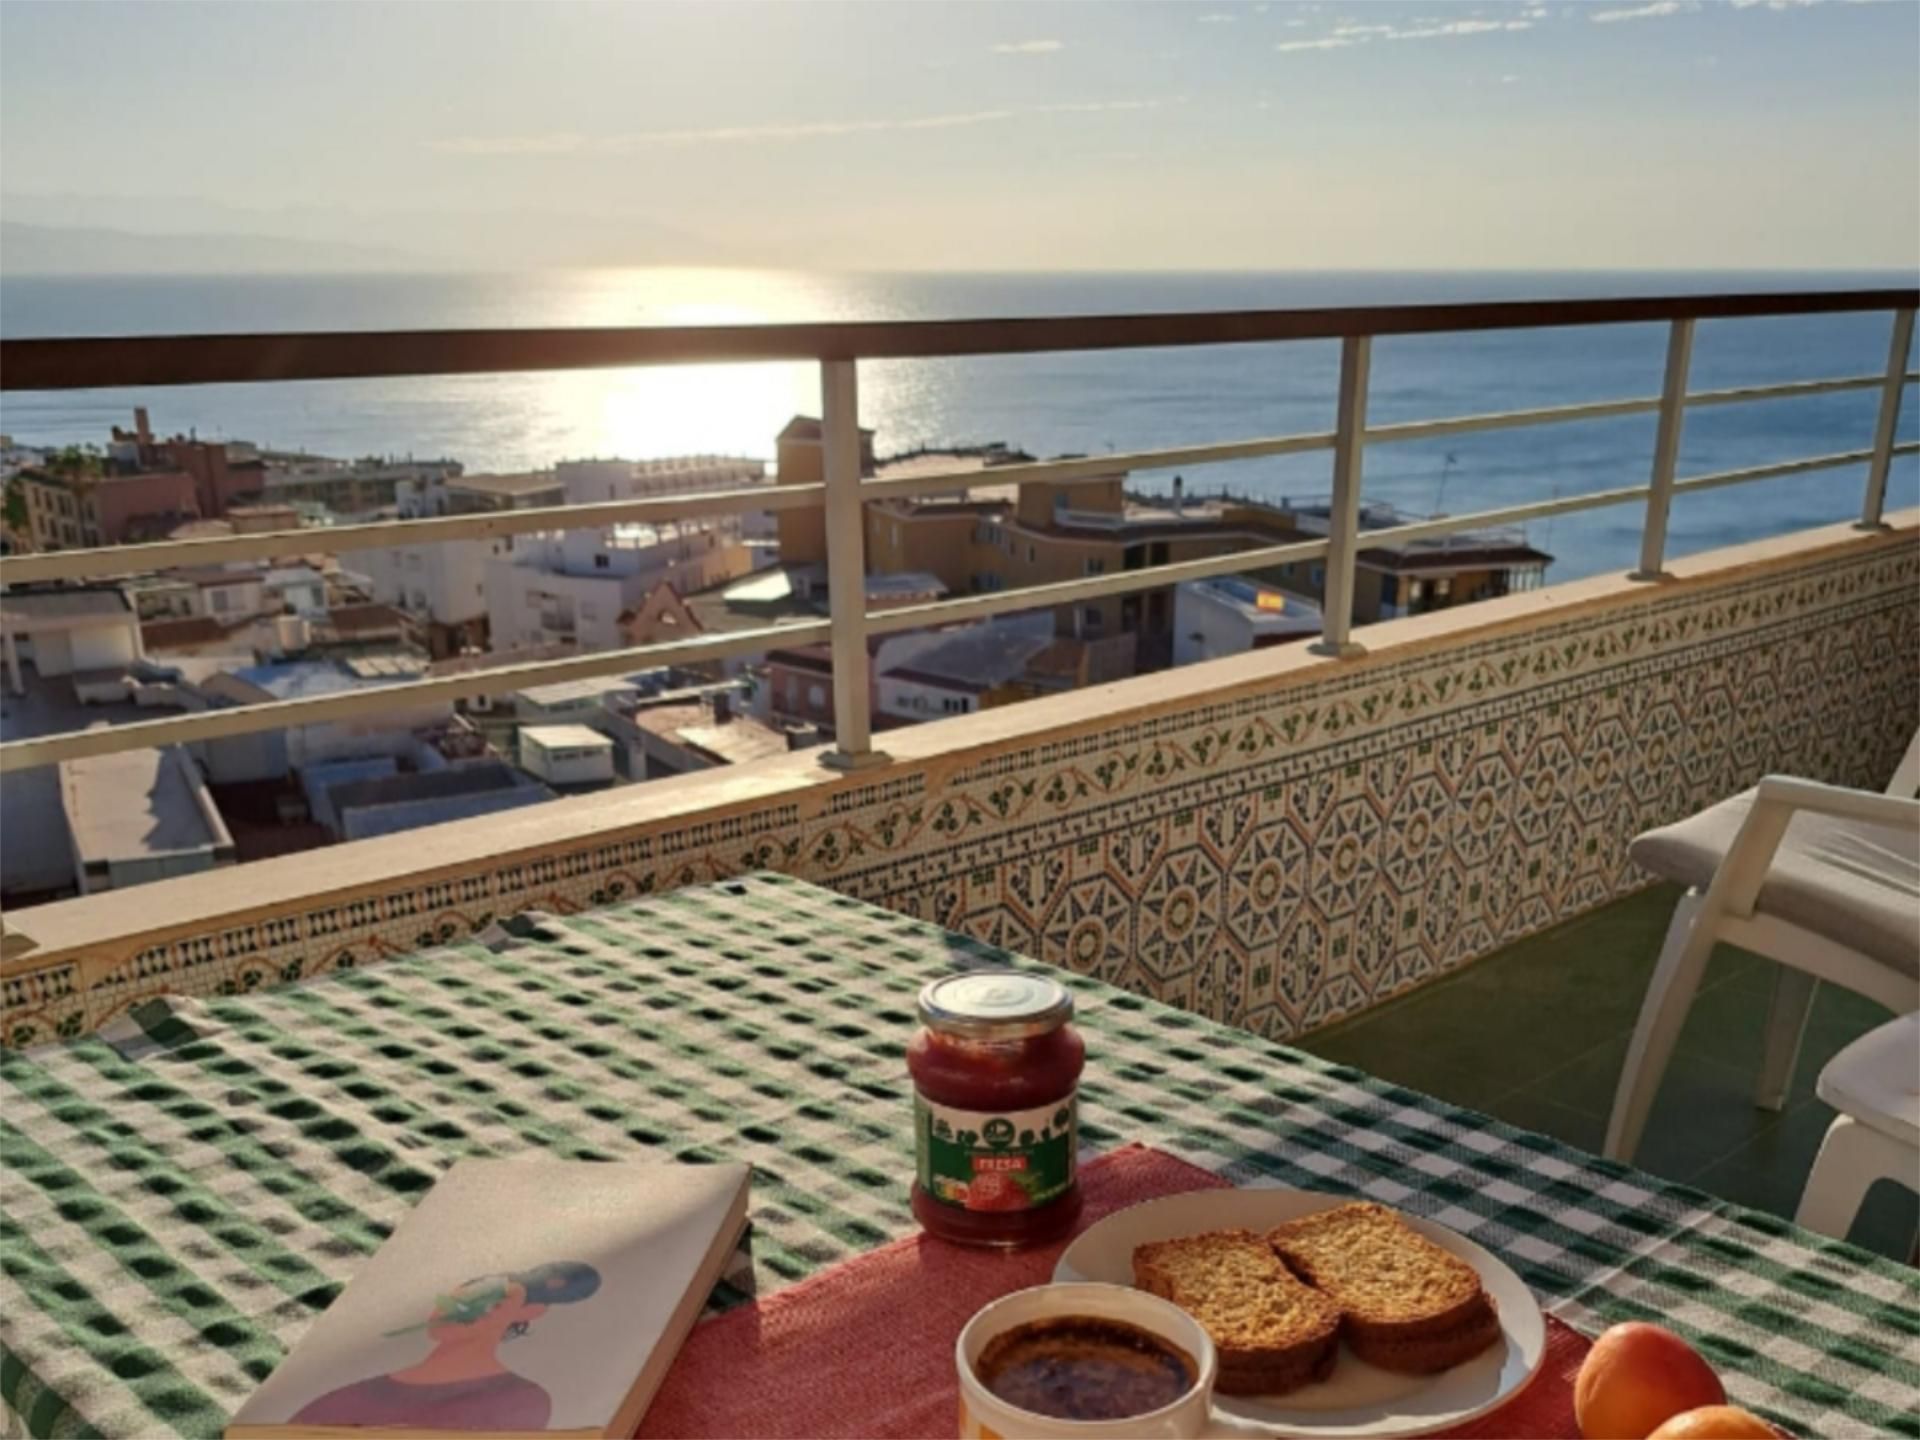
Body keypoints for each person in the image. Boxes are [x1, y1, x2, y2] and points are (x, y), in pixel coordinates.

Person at [290, 1262, 602, 1429]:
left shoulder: (521, 1401)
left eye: (490, 1303)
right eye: (457, 1298)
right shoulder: (344, 1399)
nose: (460, 1310)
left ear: (529, 1313)